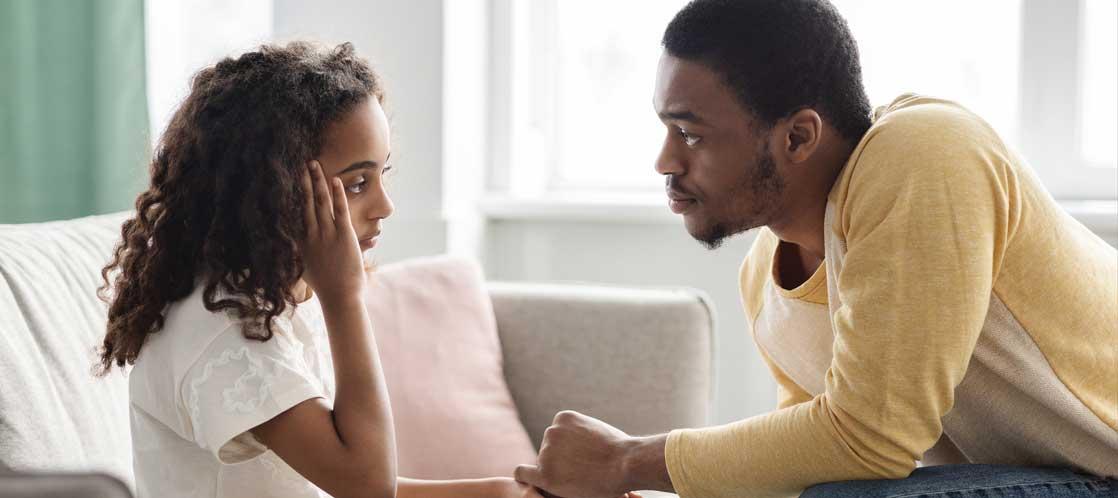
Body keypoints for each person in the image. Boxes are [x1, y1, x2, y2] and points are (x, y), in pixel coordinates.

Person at [512, 1, 1118, 497]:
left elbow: (870, 438)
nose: (665, 162)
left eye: (690, 133)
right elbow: (809, 458)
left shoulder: (924, 153)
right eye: (666, 130)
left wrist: (626, 460)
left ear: (798, 135)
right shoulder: (763, 277)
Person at [97, 41, 550, 498]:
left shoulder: (274, 296)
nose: (385, 205)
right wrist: (343, 297)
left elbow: (325, 485)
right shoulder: (223, 336)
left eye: (381, 175)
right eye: (356, 184)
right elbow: (367, 486)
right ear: (272, 191)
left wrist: (502, 492)